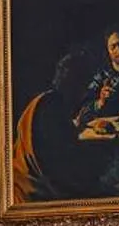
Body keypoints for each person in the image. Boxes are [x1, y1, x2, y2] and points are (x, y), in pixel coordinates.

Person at [12, 51, 102, 202]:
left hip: (29, 185)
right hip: (33, 193)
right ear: (73, 81)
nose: (85, 91)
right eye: (84, 83)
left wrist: (78, 125)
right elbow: (59, 168)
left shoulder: (50, 102)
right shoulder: (50, 107)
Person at [74, 28, 119, 129]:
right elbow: (81, 113)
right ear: (107, 50)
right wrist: (100, 102)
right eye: (113, 47)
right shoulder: (101, 76)